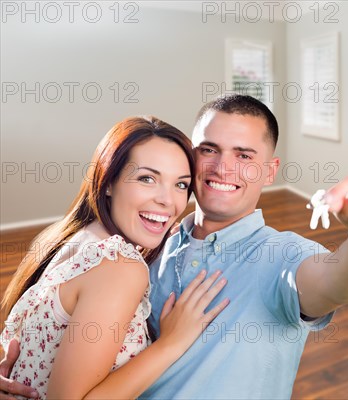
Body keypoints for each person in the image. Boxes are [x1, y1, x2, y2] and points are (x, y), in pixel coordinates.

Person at [1, 95, 348, 399]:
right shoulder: (148, 241)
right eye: (209, 149)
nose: (222, 168)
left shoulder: (281, 255)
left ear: (269, 170)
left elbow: (341, 282)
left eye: (244, 155)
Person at [0, 116, 229, 399]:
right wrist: (171, 343)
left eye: (181, 185)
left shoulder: (76, 237)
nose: (168, 201)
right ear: (108, 182)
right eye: (147, 178)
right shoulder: (119, 267)